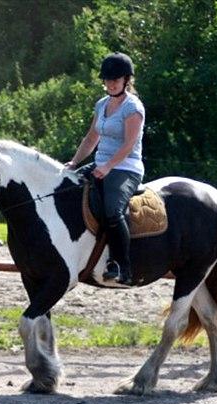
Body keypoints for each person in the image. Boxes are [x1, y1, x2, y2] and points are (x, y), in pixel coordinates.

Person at [65, 52, 145, 285]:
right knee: (66, 188)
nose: (110, 84)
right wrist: (74, 162)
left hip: (126, 167)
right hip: (101, 164)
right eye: (107, 80)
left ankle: (122, 265)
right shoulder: (102, 104)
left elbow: (129, 144)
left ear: (126, 80)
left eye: (115, 79)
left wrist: (109, 166)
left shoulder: (133, 107)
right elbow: (91, 138)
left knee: (112, 210)